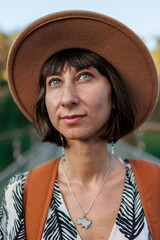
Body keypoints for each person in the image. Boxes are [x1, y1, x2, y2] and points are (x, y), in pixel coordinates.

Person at [0, 10, 159, 240]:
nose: (67, 99)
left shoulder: (155, 186)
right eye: (55, 82)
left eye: (84, 76)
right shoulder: (20, 194)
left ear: (114, 95)